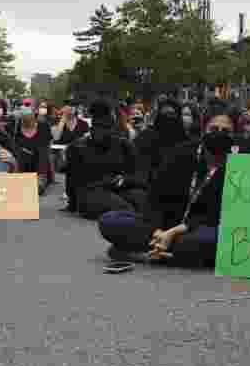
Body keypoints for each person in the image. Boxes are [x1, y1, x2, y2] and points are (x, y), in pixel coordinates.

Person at [98, 99, 241, 267]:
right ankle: (171, 253)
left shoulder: (237, 166)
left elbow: (217, 215)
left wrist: (173, 233)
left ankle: (151, 252)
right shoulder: (181, 153)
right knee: (110, 220)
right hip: (163, 225)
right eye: (214, 129)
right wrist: (158, 231)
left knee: (217, 238)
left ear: (233, 136)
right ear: (204, 130)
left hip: (195, 230)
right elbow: (155, 197)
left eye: (226, 131)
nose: (219, 133)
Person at [64, 99, 145, 219]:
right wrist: (73, 203)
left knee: (142, 200)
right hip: (92, 193)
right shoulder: (77, 147)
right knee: (124, 208)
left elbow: (138, 175)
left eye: (105, 128)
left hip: (119, 188)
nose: (101, 132)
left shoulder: (124, 145)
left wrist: (124, 180)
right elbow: (72, 180)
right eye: (98, 127)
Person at [133, 98, 190, 186]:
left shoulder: (186, 142)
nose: (167, 117)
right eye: (164, 114)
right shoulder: (145, 138)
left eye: (171, 114)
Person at [13, 103, 53, 195]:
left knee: (42, 149)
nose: (26, 115)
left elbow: (47, 149)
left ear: (34, 113)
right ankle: (19, 180)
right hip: (21, 164)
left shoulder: (43, 126)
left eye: (29, 112)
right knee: (21, 151)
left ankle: (41, 180)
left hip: (39, 165)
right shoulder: (14, 127)